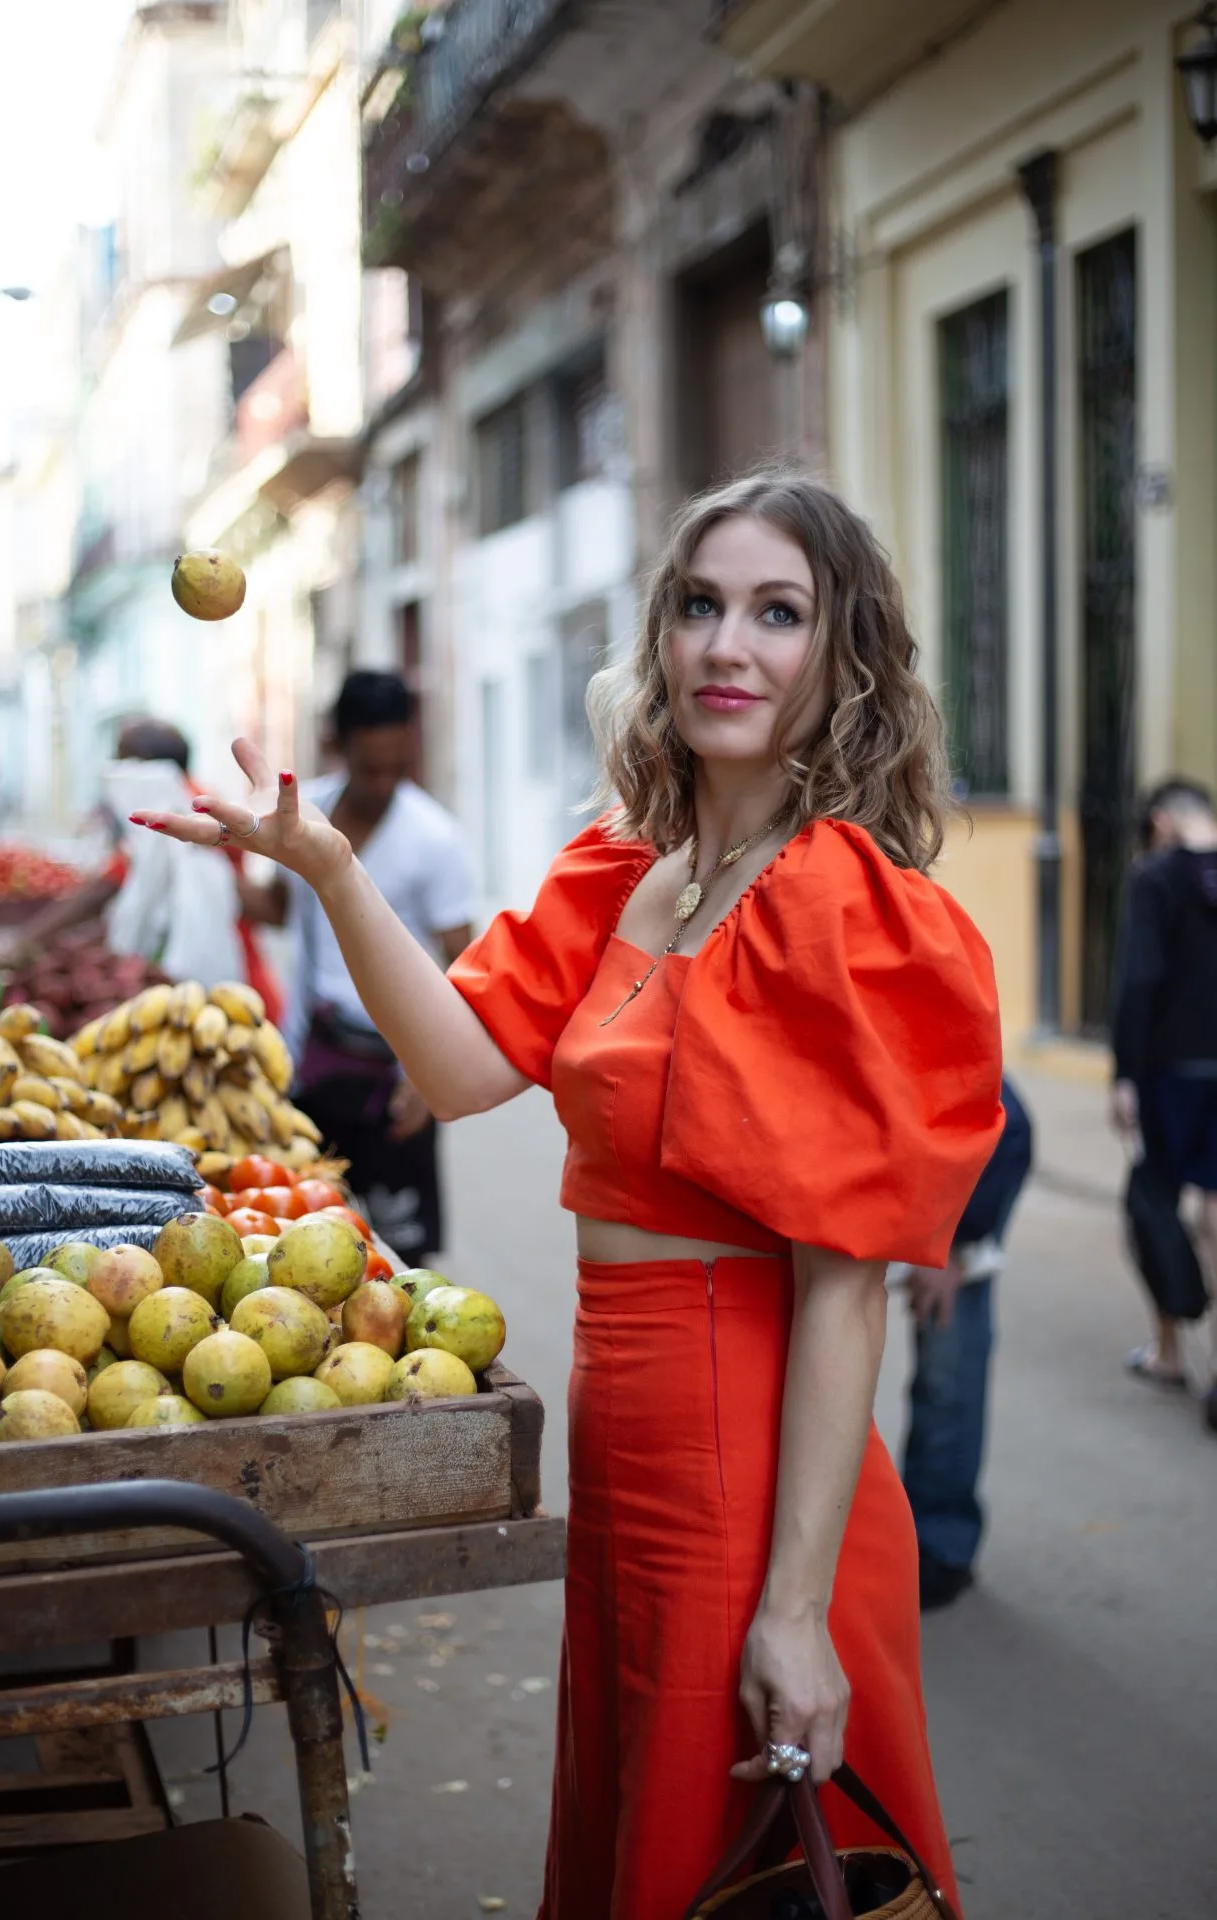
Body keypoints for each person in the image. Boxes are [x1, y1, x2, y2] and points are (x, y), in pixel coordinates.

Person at [133, 469, 1003, 1918]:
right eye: (703, 606)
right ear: (662, 636)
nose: (730, 645)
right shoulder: (633, 870)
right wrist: (333, 871)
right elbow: (468, 1067)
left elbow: (845, 1285)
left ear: (843, 655)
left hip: (747, 1445)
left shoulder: (843, 900)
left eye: (779, 613)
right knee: (642, 1825)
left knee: (738, 1853)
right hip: (631, 1436)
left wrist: (795, 1609)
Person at [240, 671, 475, 1264]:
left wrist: (429, 1079)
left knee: (401, 1257)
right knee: (305, 1241)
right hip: (310, 1065)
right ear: (337, 746)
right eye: (370, 768)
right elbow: (276, 906)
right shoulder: (305, 812)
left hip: (398, 1076)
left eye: (396, 767)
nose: (383, 783)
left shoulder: (434, 838)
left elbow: (468, 963)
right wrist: (218, 864)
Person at [12, 718, 280, 1010]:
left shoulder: (174, 812)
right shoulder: (201, 797)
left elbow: (102, 889)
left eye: (121, 762)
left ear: (143, 767)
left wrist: (21, 943)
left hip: (226, 981)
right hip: (219, 972)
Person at [898, 1077, 1033, 1612]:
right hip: (871, 1177)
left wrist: (957, 1242)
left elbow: (1011, 1126)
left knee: (947, 1376)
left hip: (953, 1203)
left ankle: (939, 1545)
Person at [1111, 777, 1217, 1429]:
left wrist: (1125, 1073)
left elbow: (1139, 977)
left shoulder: (1154, 878)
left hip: (1171, 1069)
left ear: (1158, 822)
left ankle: (1171, 1352)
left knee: (1153, 1199)